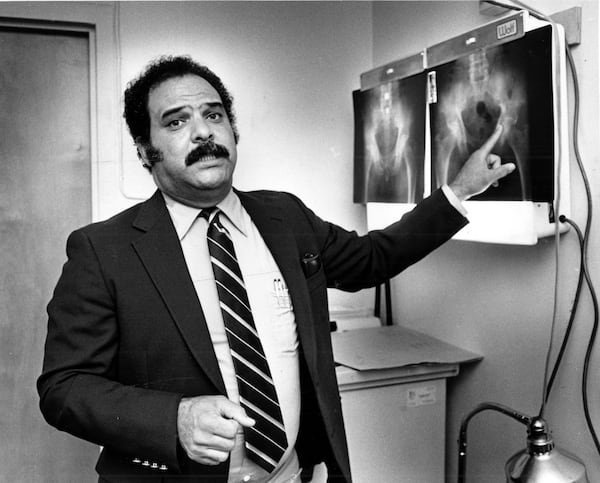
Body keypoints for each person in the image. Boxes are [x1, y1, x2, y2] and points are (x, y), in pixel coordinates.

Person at [37, 55, 515, 483]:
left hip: (294, 475)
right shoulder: (104, 250)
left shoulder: (284, 217)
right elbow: (64, 388)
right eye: (177, 121)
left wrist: (458, 191)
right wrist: (172, 418)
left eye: (214, 115)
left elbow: (373, 259)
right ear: (145, 150)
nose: (203, 131)